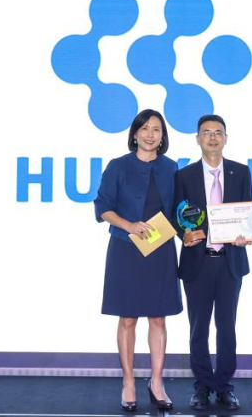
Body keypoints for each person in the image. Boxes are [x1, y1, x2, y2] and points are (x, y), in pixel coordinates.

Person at [94, 109, 182, 412]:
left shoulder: (171, 167)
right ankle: (129, 382)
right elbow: (103, 206)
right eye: (144, 128)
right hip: (126, 249)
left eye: (156, 129)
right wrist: (129, 225)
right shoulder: (117, 166)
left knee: (158, 318)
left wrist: (192, 231)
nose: (150, 134)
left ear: (163, 136)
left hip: (160, 250)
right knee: (128, 318)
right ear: (134, 134)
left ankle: (156, 382)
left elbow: (179, 210)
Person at [174, 114, 252, 411]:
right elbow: (176, 215)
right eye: (206, 132)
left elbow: (246, 211)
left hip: (230, 261)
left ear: (226, 138)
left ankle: (224, 387)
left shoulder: (241, 172)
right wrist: (184, 234)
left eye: (218, 132)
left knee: (227, 327)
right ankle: (202, 386)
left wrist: (245, 234)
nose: (212, 137)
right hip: (198, 262)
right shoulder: (184, 175)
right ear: (198, 139)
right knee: (198, 329)